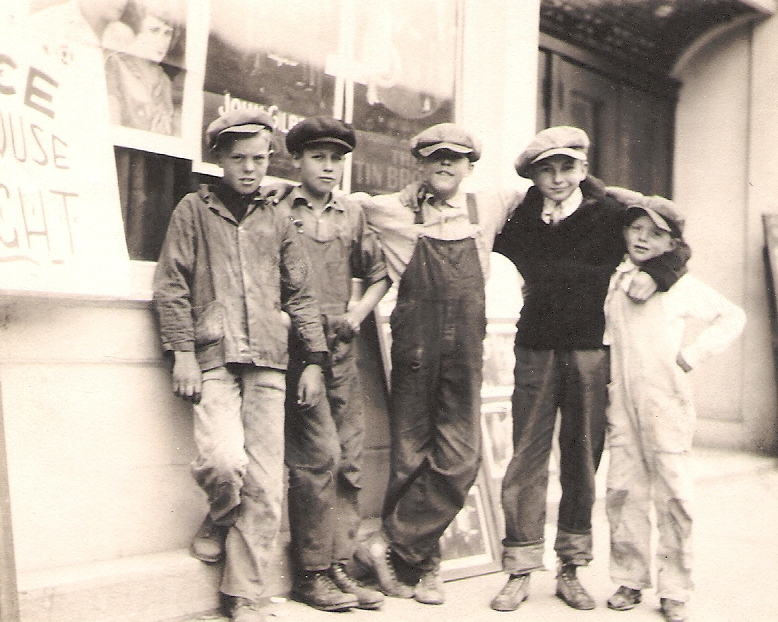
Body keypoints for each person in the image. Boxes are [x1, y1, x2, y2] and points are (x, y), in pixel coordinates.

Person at [489, 126, 690, 613]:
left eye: (566, 168)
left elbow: (674, 241)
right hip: (535, 347)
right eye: (546, 170)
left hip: (590, 351)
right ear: (533, 175)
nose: (557, 179)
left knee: (581, 458)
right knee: (526, 458)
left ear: (583, 168)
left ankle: (571, 568)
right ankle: (519, 568)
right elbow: (490, 248)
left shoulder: (614, 211)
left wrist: (657, 274)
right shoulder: (521, 218)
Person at [152, 109, 328, 622]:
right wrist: (182, 350)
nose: (250, 169)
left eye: (259, 158)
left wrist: (313, 359)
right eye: (238, 159)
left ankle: (245, 594)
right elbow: (171, 285)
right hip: (212, 357)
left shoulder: (277, 218)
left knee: (268, 483)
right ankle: (220, 512)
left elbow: (301, 293)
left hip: (270, 360)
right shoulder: (193, 210)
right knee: (223, 461)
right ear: (219, 159)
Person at [351, 123, 523, 606]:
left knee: (461, 456)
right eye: (436, 158)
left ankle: (390, 545)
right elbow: (337, 201)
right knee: (410, 452)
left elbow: (556, 184)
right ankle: (423, 566)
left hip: (465, 345)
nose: (446, 165)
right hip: (415, 344)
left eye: (455, 158)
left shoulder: (487, 205)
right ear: (420, 164)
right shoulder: (390, 209)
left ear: (470, 166)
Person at [602, 195, 746, 622]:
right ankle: (629, 577)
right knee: (623, 489)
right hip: (622, 401)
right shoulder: (615, 277)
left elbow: (732, 316)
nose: (643, 239)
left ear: (671, 243)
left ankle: (675, 588)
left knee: (674, 495)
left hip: (666, 401)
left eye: (656, 233)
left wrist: (693, 354)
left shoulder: (679, 285)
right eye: (636, 229)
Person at [276, 116, 391, 613]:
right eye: (318, 157)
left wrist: (357, 312)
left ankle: (339, 562)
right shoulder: (279, 208)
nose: (328, 167)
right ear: (297, 160)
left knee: (348, 455)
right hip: (298, 345)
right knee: (315, 456)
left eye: (336, 159)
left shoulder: (352, 213)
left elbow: (380, 274)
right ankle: (310, 570)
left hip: (343, 345)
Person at [104, 0, 181, 135]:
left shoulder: (164, 81)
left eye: (167, 33)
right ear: (136, 31)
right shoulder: (115, 65)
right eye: (154, 30)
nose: (162, 41)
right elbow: (110, 126)